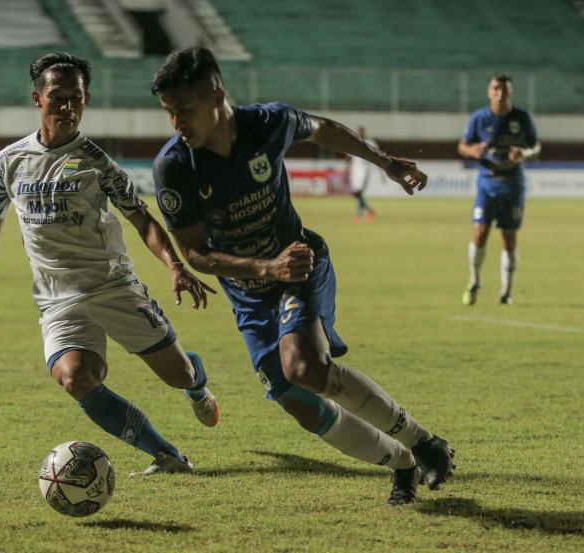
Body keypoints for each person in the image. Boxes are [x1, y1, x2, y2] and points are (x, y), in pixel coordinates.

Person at [150, 47, 455, 505]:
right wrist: (262, 268)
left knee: (305, 367)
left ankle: (424, 442)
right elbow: (195, 253)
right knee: (297, 401)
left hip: (299, 264)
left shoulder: (268, 123)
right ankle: (402, 461)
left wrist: (385, 162)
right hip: (249, 292)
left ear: (217, 94)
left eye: (185, 111)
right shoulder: (174, 166)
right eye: (169, 113)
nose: (176, 123)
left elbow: (325, 130)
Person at [0, 52, 219, 476]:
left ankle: (197, 380)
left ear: (86, 99)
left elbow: (142, 218)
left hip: (112, 286)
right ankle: (167, 455)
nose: (67, 107)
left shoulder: (98, 163)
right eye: (57, 97)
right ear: (37, 98)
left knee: (179, 375)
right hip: (58, 300)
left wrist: (174, 265)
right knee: (77, 378)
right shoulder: (9, 161)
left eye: (75, 98)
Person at [458, 74, 540, 306]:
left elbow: (536, 145)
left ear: (511, 92)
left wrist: (525, 153)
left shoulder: (522, 118)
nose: (500, 94)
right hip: (487, 184)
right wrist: (472, 151)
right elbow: (462, 145)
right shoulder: (480, 118)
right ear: (489, 92)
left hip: (513, 184)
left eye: (504, 90)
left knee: (509, 238)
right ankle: (474, 281)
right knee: (479, 233)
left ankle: (506, 291)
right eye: (495, 89)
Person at [347, 126, 378, 223]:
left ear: (365, 132)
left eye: (362, 131)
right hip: (355, 170)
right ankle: (370, 211)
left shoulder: (370, 142)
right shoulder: (354, 142)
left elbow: (377, 154)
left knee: (358, 192)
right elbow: (349, 156)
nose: (360, 133)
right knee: (356, 193)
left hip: (364, 170)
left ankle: (359, 215)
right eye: (359, 131)